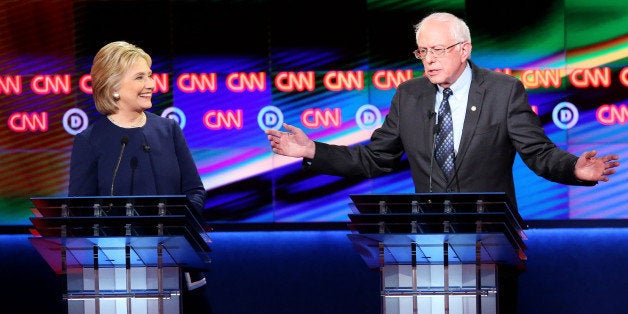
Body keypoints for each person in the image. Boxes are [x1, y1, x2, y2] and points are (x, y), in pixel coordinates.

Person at [266, 12, 620, 313]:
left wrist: (574, 168)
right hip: (425, 249)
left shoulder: (503, 91)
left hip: (489, 247)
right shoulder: (410, 95)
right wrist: (312, 150)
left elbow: (538, 152)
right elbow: (375, 158)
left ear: (464, 50)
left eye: (437, 50)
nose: (429, 60)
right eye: (422, 51)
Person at [68, 41, 210, 313]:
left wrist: (171, 228)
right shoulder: (89, 141)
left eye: (150, 74)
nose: (152, 84)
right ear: (114, 88)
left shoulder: (168, 130)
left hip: (176, 264)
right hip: (117, 275)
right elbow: (80, 214)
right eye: (140, 77)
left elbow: (195, 191)